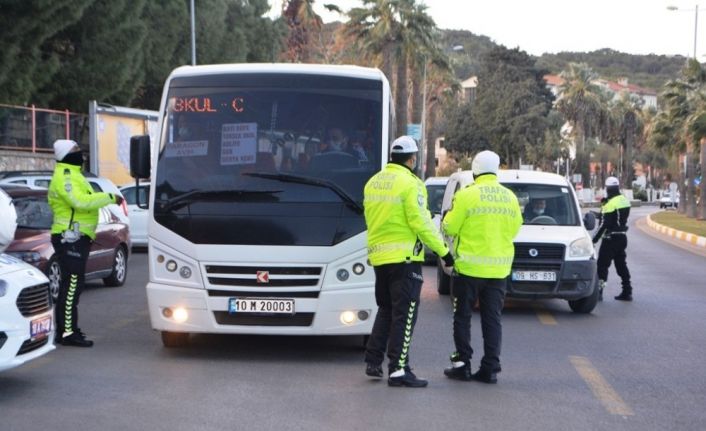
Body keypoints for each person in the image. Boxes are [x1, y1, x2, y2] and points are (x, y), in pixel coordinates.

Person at [363, 135, 454, 388]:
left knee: (386, 309)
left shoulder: (373, 182)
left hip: (380, 258)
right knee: (405, 314)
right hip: (404, 259)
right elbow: (421, 222)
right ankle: (398, 370)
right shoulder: (411, 183)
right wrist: (444, 251)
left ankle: (373, 361)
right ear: (412, 159)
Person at [441, 150, 522, 384]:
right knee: (492, 319)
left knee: (462, 317)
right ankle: (490, 368)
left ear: (475, 170)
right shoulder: (510, 197)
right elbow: (515, 229)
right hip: (498, 271)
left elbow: (450, 228)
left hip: (468, 269)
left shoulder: (467, 196)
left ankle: (462, 364)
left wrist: (447, 220)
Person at [48, 139, 124, 347]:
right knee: (72, 284)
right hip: (69, 237)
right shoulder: (65, 177)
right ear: (65, 154)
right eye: (75, 150)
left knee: (72, 284)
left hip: (77, 237)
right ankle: (67, 333)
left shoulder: (75, 175)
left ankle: (66, 330)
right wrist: (109, 197)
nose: (80, 154)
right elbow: (80, 202)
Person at [593, 176, 632, 301]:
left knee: (602, 266)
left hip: (610, 239)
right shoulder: (624, 200)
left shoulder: (610, 203)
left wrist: (593, 239)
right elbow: (614, 218)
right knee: (621, 265)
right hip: (622, 238)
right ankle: (627, 291)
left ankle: (599, 291)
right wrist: (599, 214)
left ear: (608, 188)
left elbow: (606, 224)